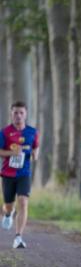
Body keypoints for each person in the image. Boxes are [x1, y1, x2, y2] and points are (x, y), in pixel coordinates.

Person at [0, 101, 39, 248]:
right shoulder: (4, 132)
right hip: (7, 173)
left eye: (21, 112)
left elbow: (36, 147)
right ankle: (9, 213)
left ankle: (18, 237)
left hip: (24, 173)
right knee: (8, 205)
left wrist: (35, 154)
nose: (18, 116)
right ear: (11, 114)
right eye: (15, 112)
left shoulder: (32, 132)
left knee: (23, 201)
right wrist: (12, 152)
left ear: (26, 114)